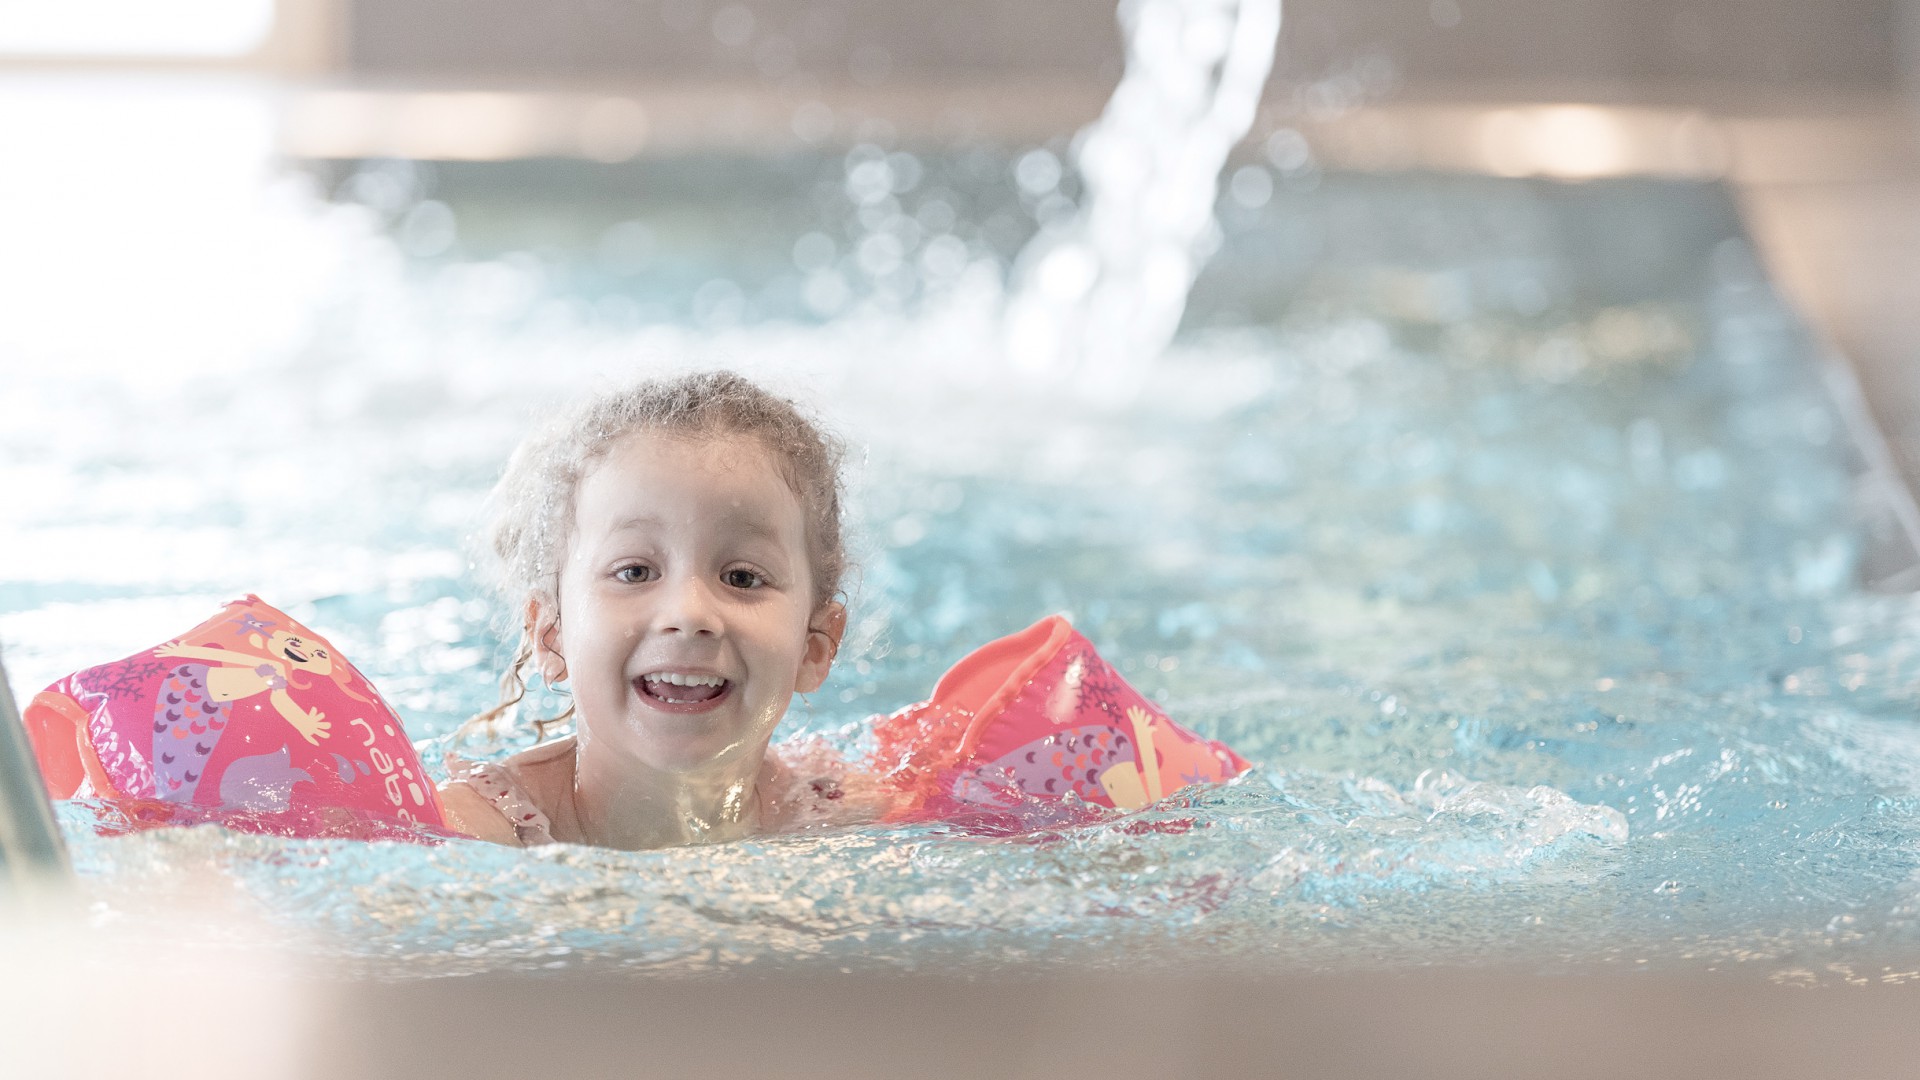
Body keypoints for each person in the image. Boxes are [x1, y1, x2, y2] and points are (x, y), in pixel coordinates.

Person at [437, 371, 869, 848]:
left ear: (815, 648)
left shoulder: (836, 812)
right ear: (551, 634)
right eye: (635, 572)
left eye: (742, 578)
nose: (689, 614)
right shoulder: (473, 833)